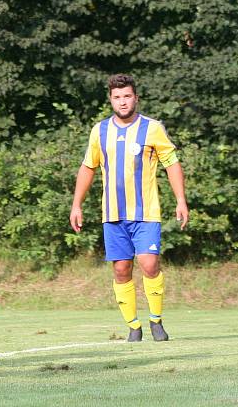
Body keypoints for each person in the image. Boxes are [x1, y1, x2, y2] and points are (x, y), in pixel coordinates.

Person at [70, 74, 189, 342]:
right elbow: (88, 167)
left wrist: (181, 200)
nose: (122, 102)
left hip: (146, 212)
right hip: (112, 214)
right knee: (121, 270)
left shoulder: (153, 128)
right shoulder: (100, 131)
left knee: (149, 264)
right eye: (117, 97)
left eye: (127, 96)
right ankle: (133, 326)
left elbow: (171, 163)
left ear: (136, 98)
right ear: (110, 100)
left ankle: (156, 321)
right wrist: (76, 204)